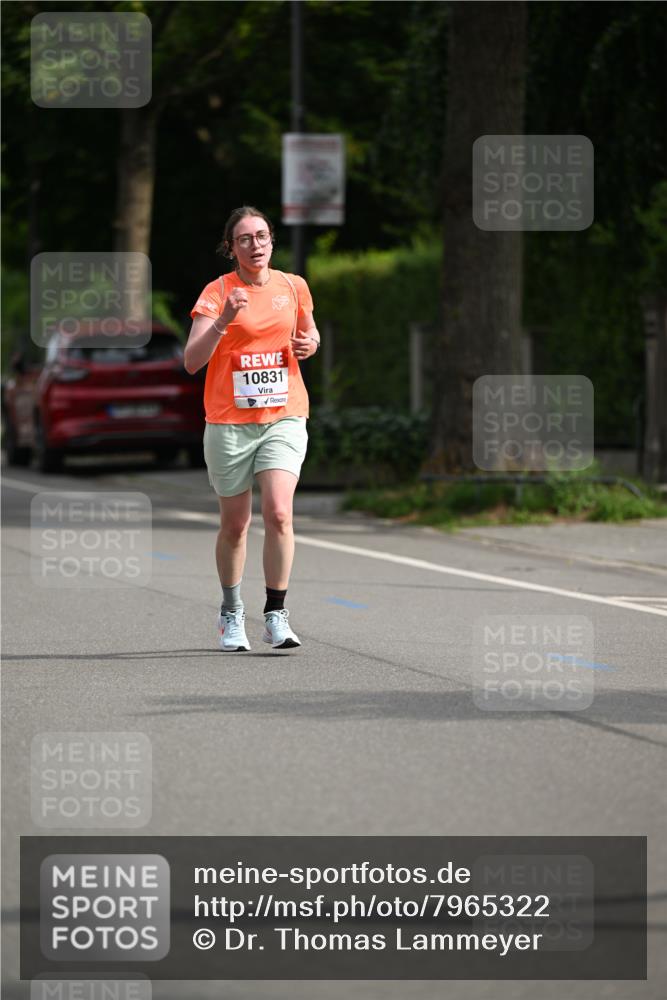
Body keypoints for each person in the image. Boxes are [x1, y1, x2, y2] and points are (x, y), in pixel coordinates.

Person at [185, 206, 320, 651]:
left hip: (284, 414)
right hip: (229, 423)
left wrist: (309, 344)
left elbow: (309, 334)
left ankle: (276, 614)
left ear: (271, 241)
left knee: (280, 512)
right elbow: (191, 362)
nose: (255, 245)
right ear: (232, 248)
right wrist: (223, 320)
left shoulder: (293, 286)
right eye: (245, 239)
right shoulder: (217, 291)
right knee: (236, 524)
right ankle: (231, 611)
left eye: (261, 236)